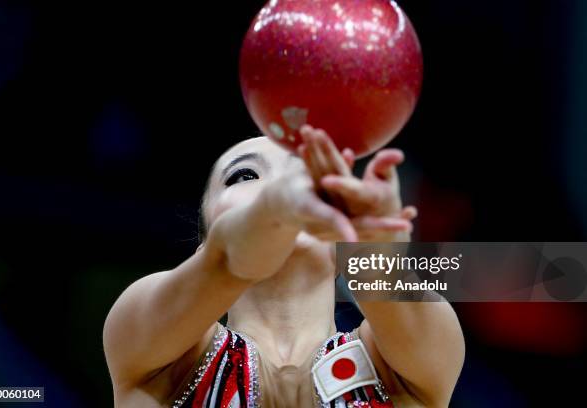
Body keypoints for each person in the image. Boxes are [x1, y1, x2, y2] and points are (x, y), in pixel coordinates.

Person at [103, 125, 465, 407]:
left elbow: (381, 280)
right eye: (244, 176)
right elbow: (230, 258)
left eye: (311, 180)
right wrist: (275, 210)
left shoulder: (404, 367)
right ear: (204, 246)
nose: (290, 187)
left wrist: (374, 240)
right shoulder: (151, 346)